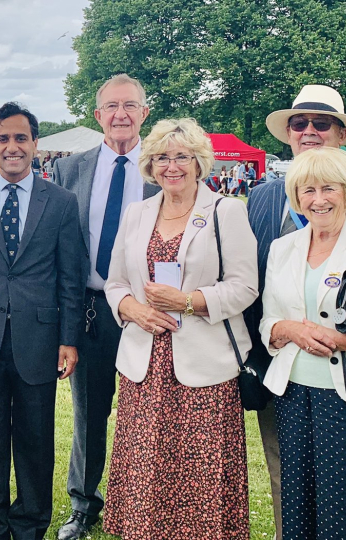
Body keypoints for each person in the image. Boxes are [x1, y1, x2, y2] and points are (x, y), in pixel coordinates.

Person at [101, 118, 256, 539]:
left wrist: (189, 301)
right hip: (144, 369)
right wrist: (133, 308)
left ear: (198, 162)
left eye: (182, 156)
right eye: (162, 157)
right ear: (150, 165)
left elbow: (245, 288)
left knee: (199, 474)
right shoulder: (137, 213)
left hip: (204, 370)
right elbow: (114, 282)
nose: (172, 166)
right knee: (145, 470)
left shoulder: (226, 211)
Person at [0, 102, 85, 540]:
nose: (12, 146)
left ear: (35, 144)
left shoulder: (61, 202)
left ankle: (29, 526)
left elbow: (71, 276)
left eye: (20, 138)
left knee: (35, 441)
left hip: (40, 340)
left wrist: (69, 338)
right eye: (4, 138)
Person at [52, 73, 160, 540]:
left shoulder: (165, 168)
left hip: (148, 312)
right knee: (89, 416)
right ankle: (83, 505)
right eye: (111, 107)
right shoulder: (70, 169)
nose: (120, 114)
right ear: (97, 115)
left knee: (150, 415)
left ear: (144, 113)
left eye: (129, 106)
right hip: (90, 311)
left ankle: (146, 505)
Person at [246, 84, 346, 540]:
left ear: (340, 133)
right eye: (299, 123)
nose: (308, 131)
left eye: (320, 123)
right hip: (284, 376)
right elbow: (258, 295)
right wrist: (282, 329)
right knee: (291, 485)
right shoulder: (264, 200)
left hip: (337, 384)